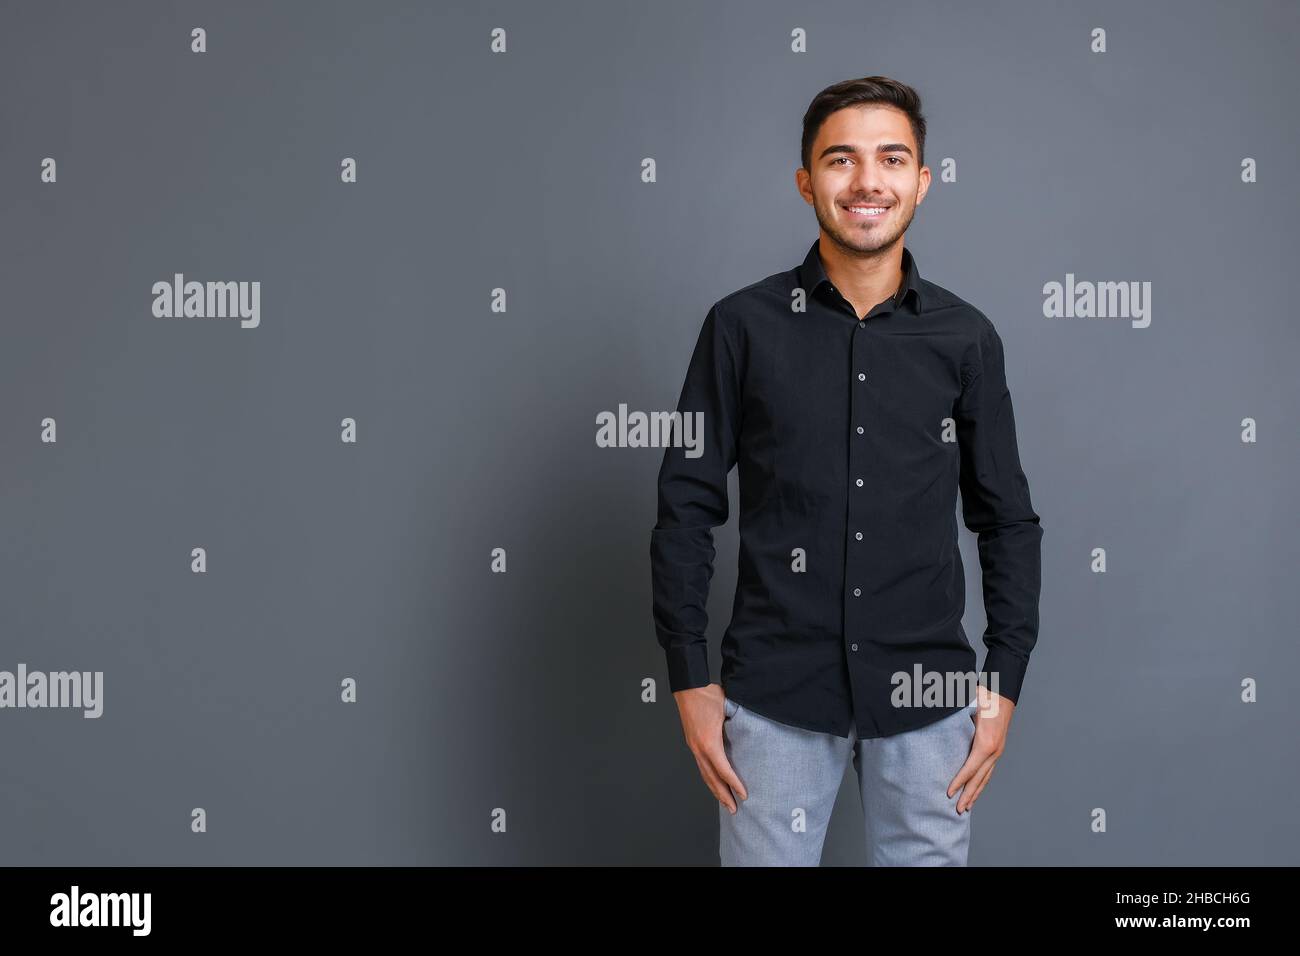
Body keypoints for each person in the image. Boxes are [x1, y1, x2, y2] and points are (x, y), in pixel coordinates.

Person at [649, 76, 1044, 866]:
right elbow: (687, 506)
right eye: (841, 160)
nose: (868, 181)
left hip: (930, 705)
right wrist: (689, 679)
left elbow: (1006, 520)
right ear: (806, 182)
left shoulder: (966, 338)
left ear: (921, 182)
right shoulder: (740, 327)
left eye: (892, 159)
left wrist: (1002, 684)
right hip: (773, 701)